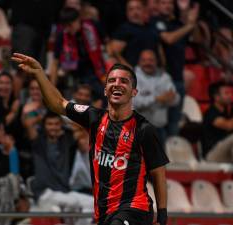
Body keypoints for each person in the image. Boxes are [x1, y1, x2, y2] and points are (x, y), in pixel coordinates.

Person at [12, 53, 169, 225]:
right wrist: (40, 74)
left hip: (134, 209)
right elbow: (58, 104)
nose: (117, 84)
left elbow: (158, 172)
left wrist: (162, 216)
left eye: (123, 81)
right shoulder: (94, 118)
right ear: (105, 90)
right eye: (112, 81)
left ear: (134, 92)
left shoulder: (143, 129)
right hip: (104, 211)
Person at [150, 0, 199, 136]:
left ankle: (171, 155)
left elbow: (197, 40)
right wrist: (189, 26)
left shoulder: (179, 24)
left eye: (170, 3)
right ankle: (158, 155)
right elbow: (168, 39)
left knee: (174, 121)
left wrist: (193, 23)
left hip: (177, 79)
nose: (167, 6)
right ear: (158, 6)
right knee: (158, 122)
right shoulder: (155, 22)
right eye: (163, 3)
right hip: (160, 79)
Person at [51, 7, 106, 99]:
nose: (68, 29)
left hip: (96, 70)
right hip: (72, 74)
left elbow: (107, 45)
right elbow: (55, 62)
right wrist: (52, 87)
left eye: (70, 25)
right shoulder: (62, 36)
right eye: (65, 26)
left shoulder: (92, 27)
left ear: (78, 20)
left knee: (103, 94)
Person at [133, 49, 179, 142]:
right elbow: (135, 102)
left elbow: (176, 99)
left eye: (151, 60)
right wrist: (157, 99)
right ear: (139, 62)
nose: (147, 63)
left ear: (156, 61)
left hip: (160, 129)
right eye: (144, 60)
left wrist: (171, 99)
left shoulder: (164, 77)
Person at [110, 0, 161, 67]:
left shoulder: (151, 27)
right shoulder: (124, 29)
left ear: (144, 10)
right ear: (127, 13)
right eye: (131, 9)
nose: (135, 12)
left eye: (138, 8)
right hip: (135, 72)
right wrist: (128, 68)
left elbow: (159, 48)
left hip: (155, 71)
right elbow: (113, 52)